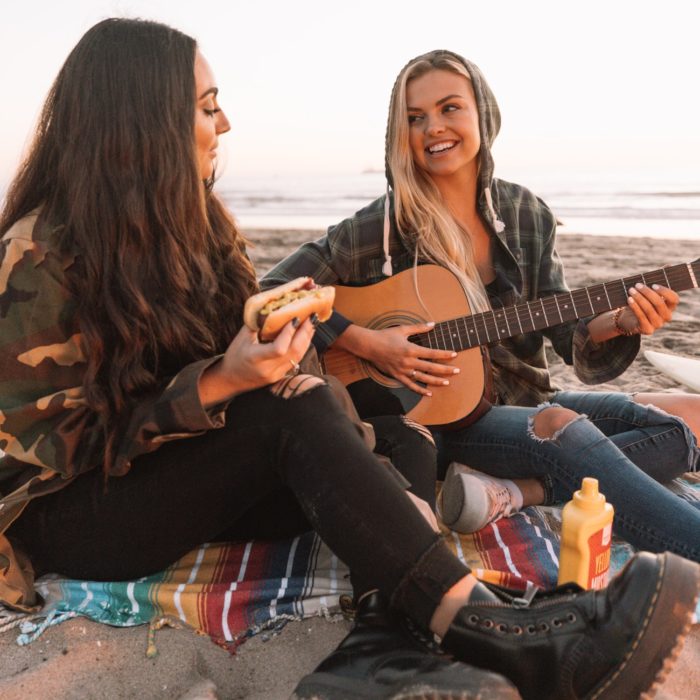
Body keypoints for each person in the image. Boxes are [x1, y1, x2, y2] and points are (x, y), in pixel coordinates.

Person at [0, 25, 697, 700]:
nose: (228, 123)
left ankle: (381, 642)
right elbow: (55, 458)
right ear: (141, 120)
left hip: (187, 467)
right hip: (80, 512)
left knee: (388, 422)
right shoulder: (40, 256)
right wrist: (237, 378)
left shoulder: (198, 230)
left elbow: (262, 313)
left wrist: (283, 354)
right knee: (303, 408)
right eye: (209, 107)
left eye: (451, 108)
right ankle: (506, 631)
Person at [262, 49, 700, 559]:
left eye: (450, 108)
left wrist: (621, 320)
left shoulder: (525, 212)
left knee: (688, 417)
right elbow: (270, 290)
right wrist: (367, 343)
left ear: (482, 113)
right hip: (442, 423)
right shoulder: (379, 228)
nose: (433, 128)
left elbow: (565, 328)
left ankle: (517, 493)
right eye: (415, 118)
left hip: (526, 400)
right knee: (563, 430)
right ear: (397, 134)